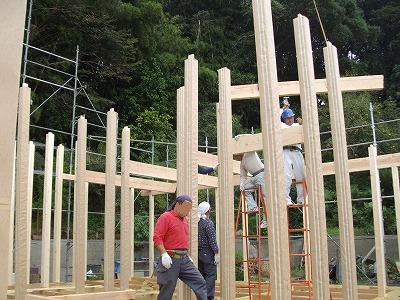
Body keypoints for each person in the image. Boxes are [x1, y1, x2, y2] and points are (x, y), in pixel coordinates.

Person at [153, 195, 207, 300]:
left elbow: (181, 240)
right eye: (186, 208)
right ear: (177, 204)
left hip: (184, 260)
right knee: (167, 291)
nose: (187, 211)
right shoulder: (166, 217)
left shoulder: (185, 220)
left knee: (200, 282)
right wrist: (164, 254)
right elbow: (157, 238)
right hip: (170, 258)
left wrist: (186, 254)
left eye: (189, 209)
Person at [233, 147, 267, 229]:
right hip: (254, 177)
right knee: (245, 188)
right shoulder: (242, 164)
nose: (237, 159)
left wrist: (240, 137)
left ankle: (266, 221)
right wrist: (242, 183)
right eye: (235, 158)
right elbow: (243, 176)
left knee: (265, 198)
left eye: (236, 157)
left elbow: (248, 141)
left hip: (262, 173)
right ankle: (253, 207)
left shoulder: (249, 152)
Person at [281, 108, 305, 205]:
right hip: (285, 151)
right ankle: (286, 199)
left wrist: (303, 123)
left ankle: (301, 199)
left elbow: (308, 127)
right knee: (286, 175)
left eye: (291, 117)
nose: (290, 120)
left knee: (301, 174)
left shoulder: (297, 125)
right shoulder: (281, 126)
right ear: (284, 119)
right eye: (287, 118)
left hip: (297, 151)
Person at [197, 202, 219, 300]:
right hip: (207, 252)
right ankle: (208, 297)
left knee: (201, 275)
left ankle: (201, 297)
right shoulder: (208, 223)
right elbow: (212, 240)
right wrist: (216, 253)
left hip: (198, 253)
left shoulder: (197, 222)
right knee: (210, 275)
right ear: (208, 211)